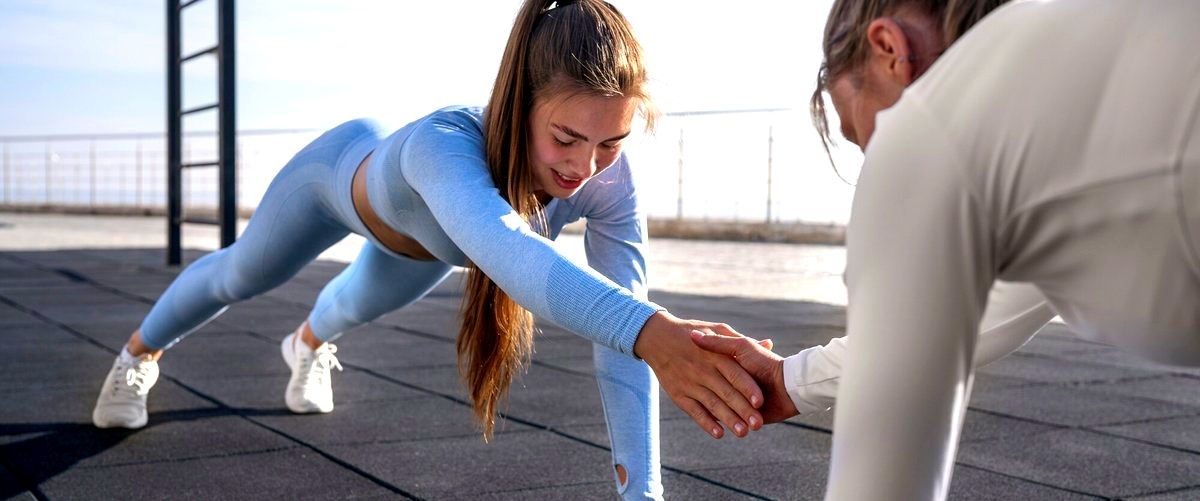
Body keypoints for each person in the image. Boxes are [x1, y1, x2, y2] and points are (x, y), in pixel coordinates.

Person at [91, 1, 769, 498]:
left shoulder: (608, 183)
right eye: (566, 138)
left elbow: (620, 324)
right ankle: (137, 354)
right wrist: (653, 333)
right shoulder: (444, 145)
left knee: (352, 304)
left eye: (611, 142)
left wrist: (641, 492)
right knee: (239, 274)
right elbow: (515, 256)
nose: (585, 166)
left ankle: (306, 343)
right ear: (519, 103)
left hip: (421, 246)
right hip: (334, 181)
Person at [693, 0, 1200, 498]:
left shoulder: (929, 132)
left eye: (862, 130)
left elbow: (884, 485)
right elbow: (970, 316)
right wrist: (788, 381)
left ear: (889, 49)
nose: (875, 154)